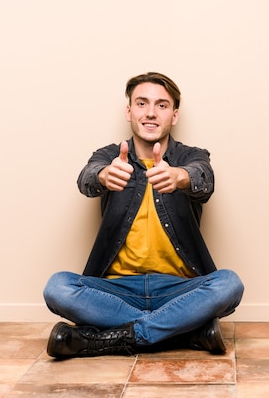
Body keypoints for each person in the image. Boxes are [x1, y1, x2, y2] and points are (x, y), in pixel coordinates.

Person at [43, 72, 244, 358]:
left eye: (162, 105)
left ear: (174, 115)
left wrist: (180, 176)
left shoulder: (191, 156)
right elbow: (86, 179)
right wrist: (104, 175)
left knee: (229, 284)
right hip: (116, 290)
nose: (151, 113)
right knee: (57, 287)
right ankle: (184, 331)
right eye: (142, 103)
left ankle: (113, 338)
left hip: (179, 289)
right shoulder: (111, 155)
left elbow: (204, 178)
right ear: (129, 111)